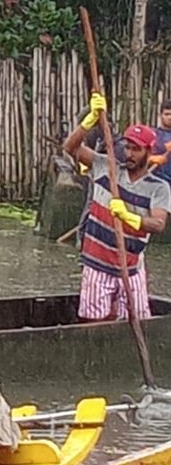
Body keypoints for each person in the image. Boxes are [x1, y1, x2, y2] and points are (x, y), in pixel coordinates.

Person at [64, 93, 170, 321]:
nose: (130, 154)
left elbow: (159, 224)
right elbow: (70, 148)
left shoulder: (158, 188)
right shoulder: (106, 167)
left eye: (137, 150)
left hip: (131, 269)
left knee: (138, 322)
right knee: (94, 324)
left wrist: (128, 216)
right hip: (97, 265)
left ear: (149, 152)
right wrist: (89, 121)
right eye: (128, 148)